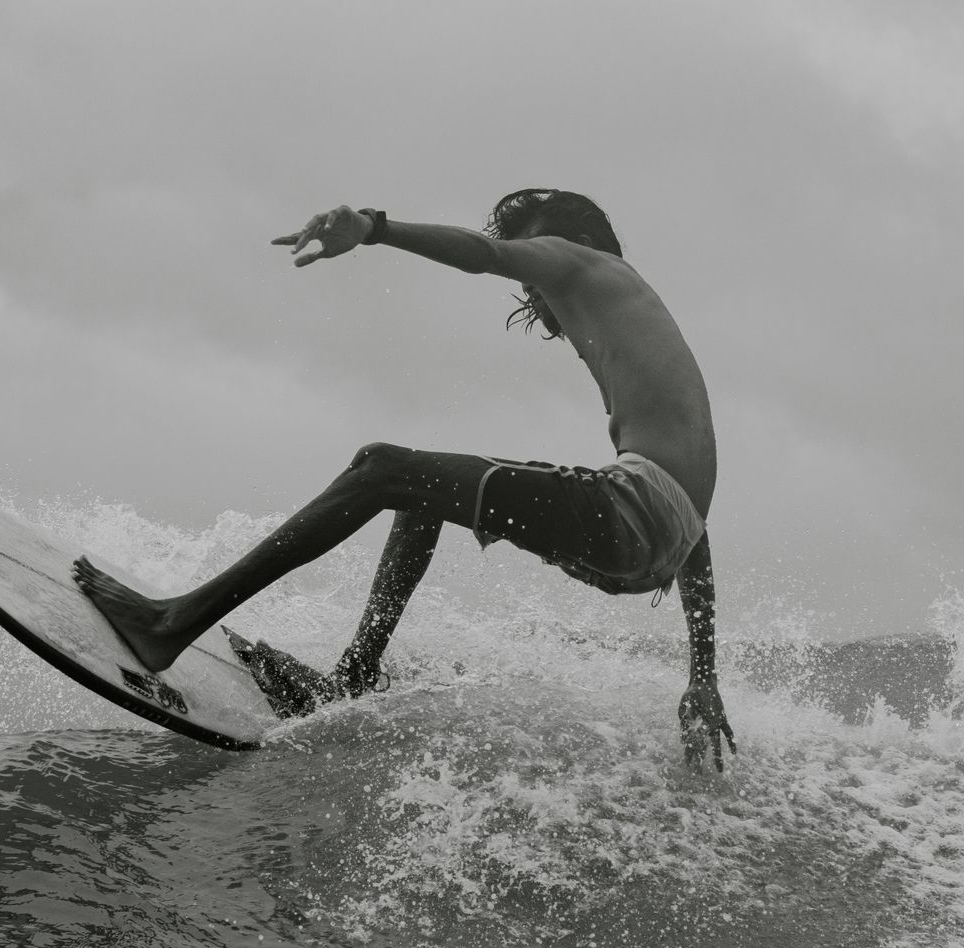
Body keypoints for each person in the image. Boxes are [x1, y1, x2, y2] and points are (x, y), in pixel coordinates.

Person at [73, 190, 736, 769]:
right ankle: (355, 678)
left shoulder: (588, 262)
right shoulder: (646, 349)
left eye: (535, 259)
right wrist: (702, 676)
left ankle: (169, 624)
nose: (530, 284)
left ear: (574, 243)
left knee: (379, 467)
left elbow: (486, 255)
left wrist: (373, 227)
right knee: (421, 493)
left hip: (627, 515)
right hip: (646, 541)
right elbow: (692, 529)